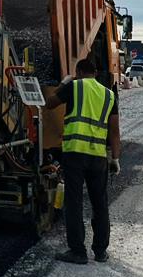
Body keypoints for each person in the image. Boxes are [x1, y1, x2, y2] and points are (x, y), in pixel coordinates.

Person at [45, 56, 121, 265]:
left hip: (75, 154)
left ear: (78, 73)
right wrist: (115, 158)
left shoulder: (74, 87)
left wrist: (64, 83)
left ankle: (78, 252)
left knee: (74, 202)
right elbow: (114, 131)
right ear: (95, 73)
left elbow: (49, 103)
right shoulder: (109, 94)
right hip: (98, 156)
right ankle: (100, 251)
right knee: (100, 203)